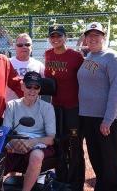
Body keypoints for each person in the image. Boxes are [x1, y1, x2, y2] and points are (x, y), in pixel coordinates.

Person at [77, 22, 117, 191]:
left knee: (109, 162)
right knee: (96, 159)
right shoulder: (87, 57)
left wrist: (108, 119)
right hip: (87, 117)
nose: (93, 38)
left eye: (97, 35)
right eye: (90, 35)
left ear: (103, 37)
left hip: (105, 118)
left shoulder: (112, 57)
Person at [44, 25, 85, 191]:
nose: (55, 39)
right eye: (52, 36)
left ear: (65, 37)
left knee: (75, 145)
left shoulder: (76, 56)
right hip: (56, 108)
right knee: (59, 144)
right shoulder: (48, 54)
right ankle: (62, 181)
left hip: (73, 108)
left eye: (59, 36)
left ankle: (76, 184)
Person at [3, 71, 56, 191]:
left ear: (40, 89)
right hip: (15, 141)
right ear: (22, 86)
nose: (32, 90)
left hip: (38, 143)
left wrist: (32, 142)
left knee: (36, 156)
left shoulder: (47, 107)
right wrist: (14, 142)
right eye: (29, 86)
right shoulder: (12, 105)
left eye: (36, 87)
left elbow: (51, 138)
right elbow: (6, 131)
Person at [6, 33, 45, 102]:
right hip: (11, 107)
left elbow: (43, 87)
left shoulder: (39, 65)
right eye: (20, 45)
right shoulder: (7, 63)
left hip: (32, 106)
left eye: (27, 45)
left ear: (31, 47)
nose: (24, 47)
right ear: (15, 47)